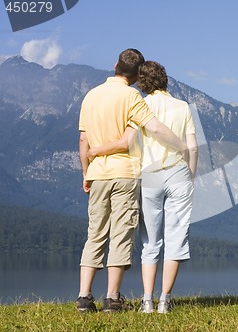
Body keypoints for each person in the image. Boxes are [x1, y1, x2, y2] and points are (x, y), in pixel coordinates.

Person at [77, 49, 187, 313]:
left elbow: (83, 141)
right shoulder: (132, 97)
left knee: (95, 234)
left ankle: (84, 296)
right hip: (125, 174)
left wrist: (86, 171)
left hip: (98, 174)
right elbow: (151, 129)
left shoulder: (90, 96)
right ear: (138, 76)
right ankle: (112, 298)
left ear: (115, 65)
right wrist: (182, 146)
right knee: (121, 235)